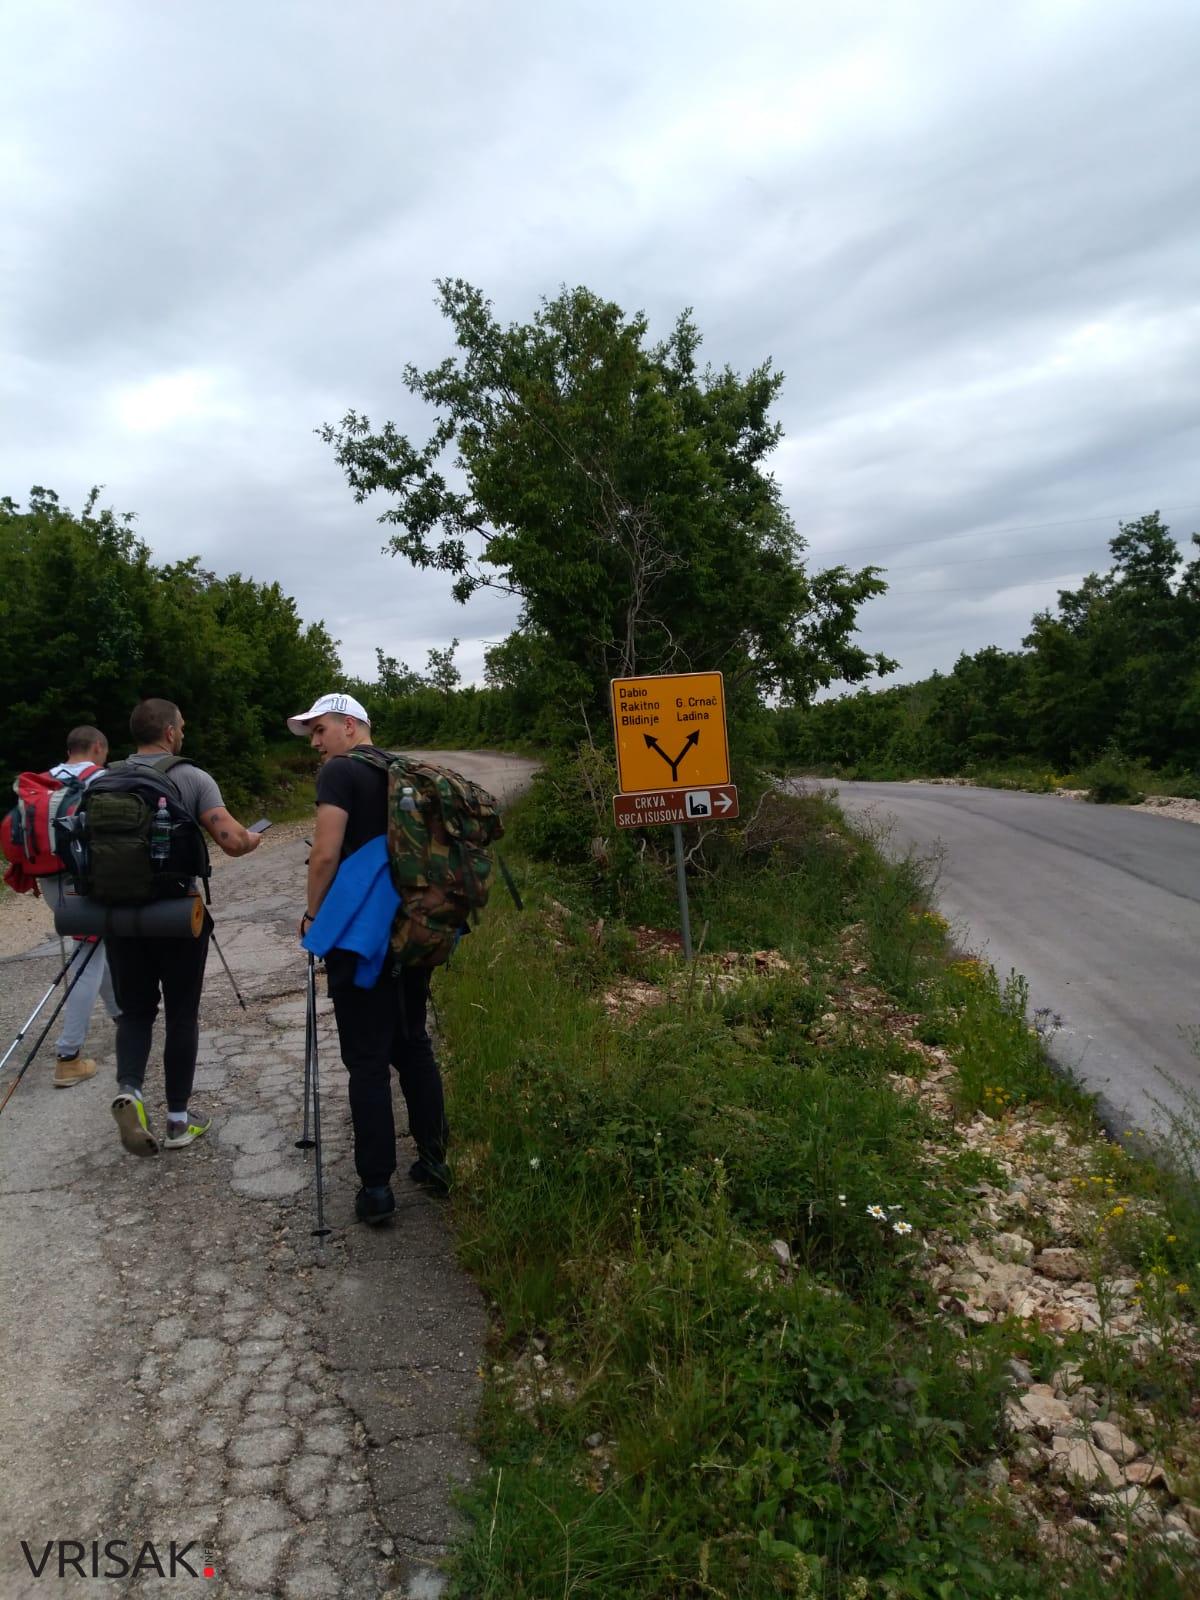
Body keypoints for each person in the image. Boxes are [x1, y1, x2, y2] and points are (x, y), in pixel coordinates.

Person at [287, 691, 450, 1224]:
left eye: (320, 730)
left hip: (361, 938)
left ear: (351, 726)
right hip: (413, 931)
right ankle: (435, 1162)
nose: (315, 743)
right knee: (413, 1045)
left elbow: (326, 853)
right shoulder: (405, 771)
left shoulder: (340, 774)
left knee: (366, 1062)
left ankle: (376, 1190)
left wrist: (314, 918)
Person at [104, 698, 261, 1158]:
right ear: (170, 732)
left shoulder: (105, 779)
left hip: (120, 917)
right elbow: (231, 841)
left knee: (134, 1012)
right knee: (181, 1014)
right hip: (176, 915)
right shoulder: (191, 777)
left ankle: (130, 1091)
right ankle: (176, 1120)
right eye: (183, 728)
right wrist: (254, 838)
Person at [45, 726, 120, 1088]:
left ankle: (122, 1014)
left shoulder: (44, 780)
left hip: (47, 878)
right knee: (87, 953)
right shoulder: (100, 779)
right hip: (83, 878)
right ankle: (68, 1055)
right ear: (97, 747)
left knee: (93, 946)